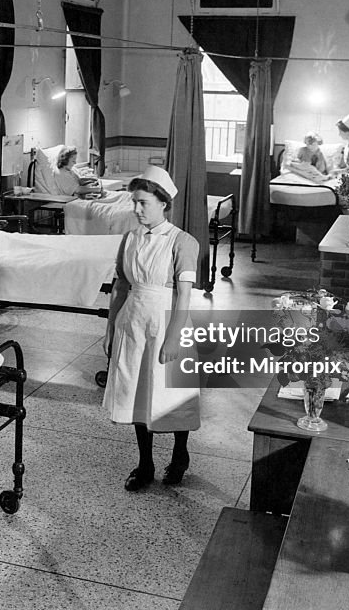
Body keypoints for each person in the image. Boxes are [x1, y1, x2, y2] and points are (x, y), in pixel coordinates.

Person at [102, 165, 200, 491]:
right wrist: (110, 329)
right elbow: (119, 286)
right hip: (133, 321)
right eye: (134, 202)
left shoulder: (182, 242)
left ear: (163, 203)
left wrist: (174, 337)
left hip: (168, 321)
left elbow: (184, 294)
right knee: (136, 392)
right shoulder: (129, 238)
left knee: (171, 393)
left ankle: (180, 453)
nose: (136, 209)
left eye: (143, 202)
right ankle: (145, 463)